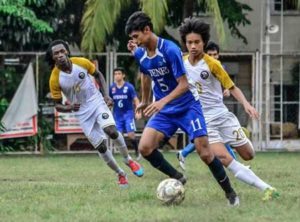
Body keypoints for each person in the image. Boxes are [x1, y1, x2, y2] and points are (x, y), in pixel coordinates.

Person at [125, 11, 239, 206]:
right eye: (132, 39)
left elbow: (184, 84)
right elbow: (145, 74)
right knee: (144, 147)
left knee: (205, 153)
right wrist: (144, 100)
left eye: (136, 37)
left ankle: (231, 194)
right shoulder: (140, 52)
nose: (135, 41)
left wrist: (161, 102)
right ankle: (178, 177)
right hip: (166, 112)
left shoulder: (170, 49)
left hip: (187, 107)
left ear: (147, 30)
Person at [178, 17, 279, 201]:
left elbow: (232, 87)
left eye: (197, 42)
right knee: (224, 159)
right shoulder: (180, 63)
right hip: (203, 120)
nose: (193, 46)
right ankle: (267, 188)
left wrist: (246, 105)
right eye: (189, 42)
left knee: (249, 155)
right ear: (185, 42)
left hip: (222, 116)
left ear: (204, 42)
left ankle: (243, 167)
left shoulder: (212, 64)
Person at [46, 40, 143, 188]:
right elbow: (57, 105)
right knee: (101, 147)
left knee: (110, 130)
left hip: (96, 101)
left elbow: (98, 75)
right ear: (53, 57)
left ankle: (128, 159)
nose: (60, 55)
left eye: (62, 51)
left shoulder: (81, 62)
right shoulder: (55, 78)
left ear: (67, 51)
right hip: (82, 113)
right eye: (56, 53)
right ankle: (120, 173)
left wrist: (105, 95)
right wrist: (70, 107)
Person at [177, 41, 237, 170]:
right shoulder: (191, 64)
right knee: (205, 136)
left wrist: (226, 90)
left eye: (215, 54)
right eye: (210, 54)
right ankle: (183, 153)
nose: (213, 57)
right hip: (200, 107)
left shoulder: (218, 66)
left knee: (211, 136)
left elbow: (224, 83)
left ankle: (183, 153)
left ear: (218, 55)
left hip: (216, 108)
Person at [109, 67, 142, 159]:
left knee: (131, 135)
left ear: (123, 75)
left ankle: (137, 152)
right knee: (119, 136)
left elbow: (136, 100)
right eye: (115, 74)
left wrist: (138, 111)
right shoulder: (112, 88)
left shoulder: (129, 87)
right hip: (117, 115)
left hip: (128, 114)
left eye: (119, 74)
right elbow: (110, 101)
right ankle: (126, 155)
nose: (117, 76)